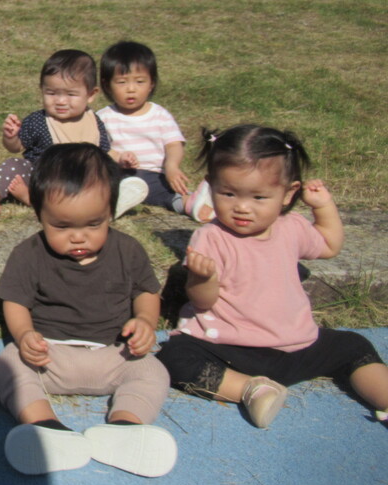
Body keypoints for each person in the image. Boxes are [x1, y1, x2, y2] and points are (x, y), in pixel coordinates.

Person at [157, 125, 388, 429]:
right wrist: (201, 279)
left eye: (259, 197)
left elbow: (330, 245)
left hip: (299, 346)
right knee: (175, 358)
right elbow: (203, 303)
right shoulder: (210, 237)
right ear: (210, 186)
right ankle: (252, 390)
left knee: (354, 346)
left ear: (288, 193)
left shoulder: (290, 226)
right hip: (232, 349)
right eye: (228, 193)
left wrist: (324, 207)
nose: (242, 207)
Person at [0, 143, 177, 477]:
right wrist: (23, 335)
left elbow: (147, 292)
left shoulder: (128, 251)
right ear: (39, 214)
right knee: (6, 362)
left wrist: (146, 321)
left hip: (115, 356)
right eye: (62, 226)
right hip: (49, 358)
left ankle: (126, 426)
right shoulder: (28, 254)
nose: (78, 237)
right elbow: (15, 302)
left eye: (93, 224)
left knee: (153, 371)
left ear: (110, 212)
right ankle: (44, 426)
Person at [0, 49, 147, 219]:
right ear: (42, 89)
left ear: (91, 94)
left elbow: (104, 152)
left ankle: (110, 201)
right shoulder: (39, 121)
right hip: (45, 179)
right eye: (51, 93)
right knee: (12, 165)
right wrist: (11, 137)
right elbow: (15, 148)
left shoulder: (94, 122)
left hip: (81, 181)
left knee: (107, 172)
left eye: (70, 94)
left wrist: (120, 158)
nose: (60, 101)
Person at [97, 41, 214, 222]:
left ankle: (191, 203)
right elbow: (98, 148)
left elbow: (174, 143)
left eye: (140, 81)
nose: (131, 89)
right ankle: (112, 201)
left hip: (154, 174)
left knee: (168, 191)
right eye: (121, 82)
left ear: (152, 83)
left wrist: (171, 166)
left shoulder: (159, 115)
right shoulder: (103, 117)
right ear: (107, 85)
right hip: (118, 173)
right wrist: (118, 158)